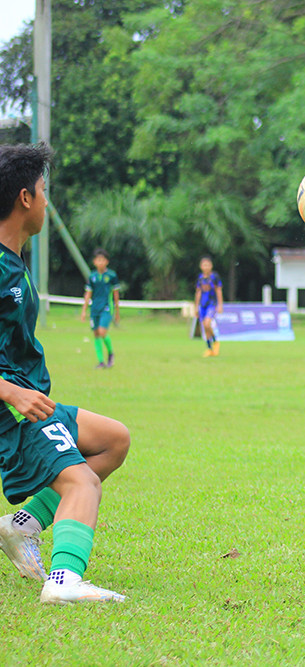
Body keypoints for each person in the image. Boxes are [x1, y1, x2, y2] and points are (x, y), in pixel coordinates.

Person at [0, 142, 130, 603]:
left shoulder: (13, 260)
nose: (46, 202)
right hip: (14, 409)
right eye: (43, 190)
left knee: (113, 440)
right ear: (25, 198)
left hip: (30, 398)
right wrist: (10, 393)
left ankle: (22, 526)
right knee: (82, 482)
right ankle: (64, 582)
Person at [80, 248, 120, 369]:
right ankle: (101, 361)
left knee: (102, 332)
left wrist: (117, 311)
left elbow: (116, 294)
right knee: (96, 334)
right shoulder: (92, 276)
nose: (100, 262)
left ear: (107, 261)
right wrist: (84, 310)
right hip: (94, 309)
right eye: (98, 260)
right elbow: (88, 294)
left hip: (106, 308)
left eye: (102, 260)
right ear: (94, 262)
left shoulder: (111, 276)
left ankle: (111, 353)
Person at [194, 255, 223, 357]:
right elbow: (198, 292)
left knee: (207, 324)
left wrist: (220, 305)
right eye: (204, 265)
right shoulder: (200, 278)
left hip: (212, 304)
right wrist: (196, 307)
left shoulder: (214, 277)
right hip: (203, 305)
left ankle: (215, 342)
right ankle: (209, 349)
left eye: (208, 265)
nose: (206, 267)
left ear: (211, 266)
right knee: (205, 328)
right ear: (201, 266)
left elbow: (218, 290)